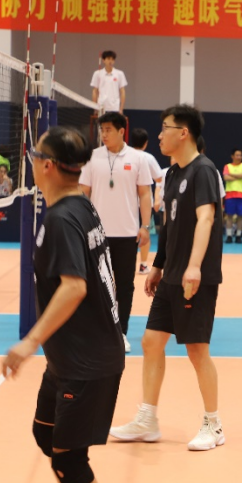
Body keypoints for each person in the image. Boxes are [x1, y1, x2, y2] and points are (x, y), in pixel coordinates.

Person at [2, 126, 126, 483]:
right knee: (46, 434)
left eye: (36, 156)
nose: (32, 162)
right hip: (72, 357)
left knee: (69, 458)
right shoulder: (79, 205)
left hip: (87, 362)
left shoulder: (61, 218)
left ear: (48, 166)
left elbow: (74, 287)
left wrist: (28, 342)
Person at [109, 104, 225, 452]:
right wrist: (158, 266)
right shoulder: (171, 174)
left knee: (197, 350)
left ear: (183, 133)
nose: (159, 135)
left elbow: (206, 220)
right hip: (172, 275)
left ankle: (214, 425)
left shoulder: (204, 171)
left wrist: (194, 266)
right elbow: (170, 228)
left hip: (195, 277)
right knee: (150, 342)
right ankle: (148, 419)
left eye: (165, 128)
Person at [79, 113, 153, 354]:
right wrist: (81, 223)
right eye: (102, 129)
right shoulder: (92, 157)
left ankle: (121, 333)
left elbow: (144, 194)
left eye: (109, 129)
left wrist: (145, 226)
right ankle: (97, 332)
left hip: (127, 234)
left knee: (124, 286)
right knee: (95, 285)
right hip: (96, 234)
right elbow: (83, 192)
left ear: (122, 131)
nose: (104, 134)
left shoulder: (138, 158)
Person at [129, 128, 163, 274]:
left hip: (128, 203)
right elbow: (159, 177)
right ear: (146, 143)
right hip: (145, 204)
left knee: (128, 235)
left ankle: (127, 264)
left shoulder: (126, 156)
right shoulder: (148, 158)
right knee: (145, 232)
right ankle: (143, 265)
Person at [222, 148, 242, 245]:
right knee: (229, 216)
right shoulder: (227, 166)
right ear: (232, 156)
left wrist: (232, 175)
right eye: (237, 155)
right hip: (230, 194)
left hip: (241, 194)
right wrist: (238, 176)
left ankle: (238, 236)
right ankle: (229, 236)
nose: (239, 157)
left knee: (240, 216)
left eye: (240, 155)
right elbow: (226, 177)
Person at [90, 50, 128, 115]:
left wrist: (121, 109)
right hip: (101, 107)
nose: (110, 61)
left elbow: (122, 91)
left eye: (112, 59)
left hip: (115, 108)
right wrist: (95, 107)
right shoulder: (97, 74)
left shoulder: (120, 74)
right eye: (108, 59)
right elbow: (95, 91)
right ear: (103, 60)